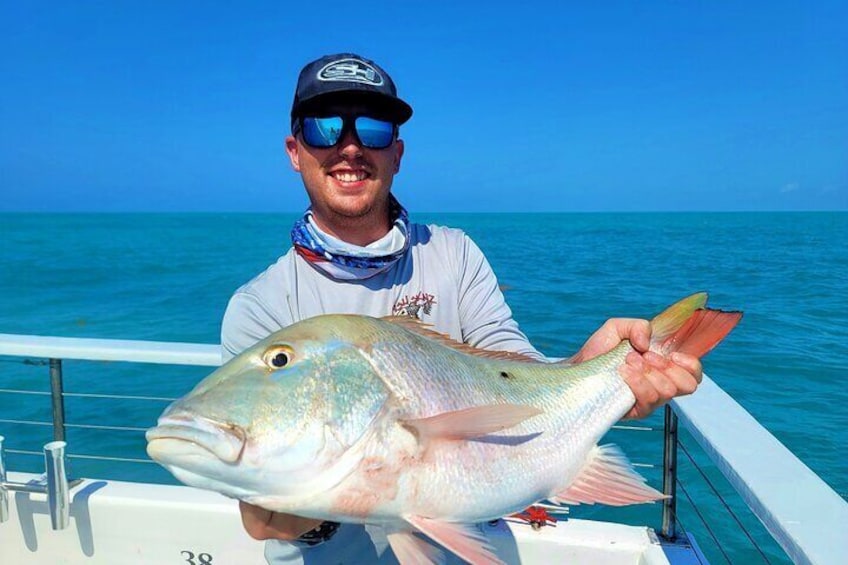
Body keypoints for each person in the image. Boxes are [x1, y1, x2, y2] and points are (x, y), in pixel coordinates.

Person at [220, 53, 703, 564]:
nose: (351, 146)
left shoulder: (453, 254)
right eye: (324, 128)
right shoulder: (262, 306)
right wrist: (364, 472)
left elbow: (511, 368)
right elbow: (261, 518)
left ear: (398, 153)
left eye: (375, 128)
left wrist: (592, 371)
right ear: (294, 151)